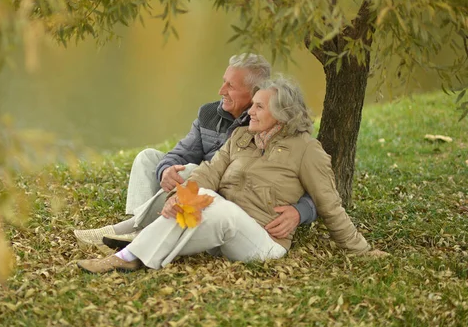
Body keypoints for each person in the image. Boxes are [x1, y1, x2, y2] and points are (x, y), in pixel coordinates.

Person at [76, 77, 372, 273]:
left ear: (281, 115)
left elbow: (330, 205)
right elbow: (208, 173)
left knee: (207, 202)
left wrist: (362, 251)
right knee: (193, 201)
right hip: (222, 231)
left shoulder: (307, 150)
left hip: (263, 242)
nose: (250, 112)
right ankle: (127, 256)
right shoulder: (241, 137)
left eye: (258, 107)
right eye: (252, 104)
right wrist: (176, 198)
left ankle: (128, 255)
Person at [73, 54, 317, 247]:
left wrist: (300, 212)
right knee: (149, 158)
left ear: (254, 94)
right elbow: (180, 153)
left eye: (230, 86)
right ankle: (139, 229)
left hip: (225, 199)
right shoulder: (209, 113)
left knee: (191, 173)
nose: (221, 90)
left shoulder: (268, 124)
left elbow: (311, 186)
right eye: (224, 81)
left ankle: (133, 231)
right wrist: (165, 170)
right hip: (197, 188)